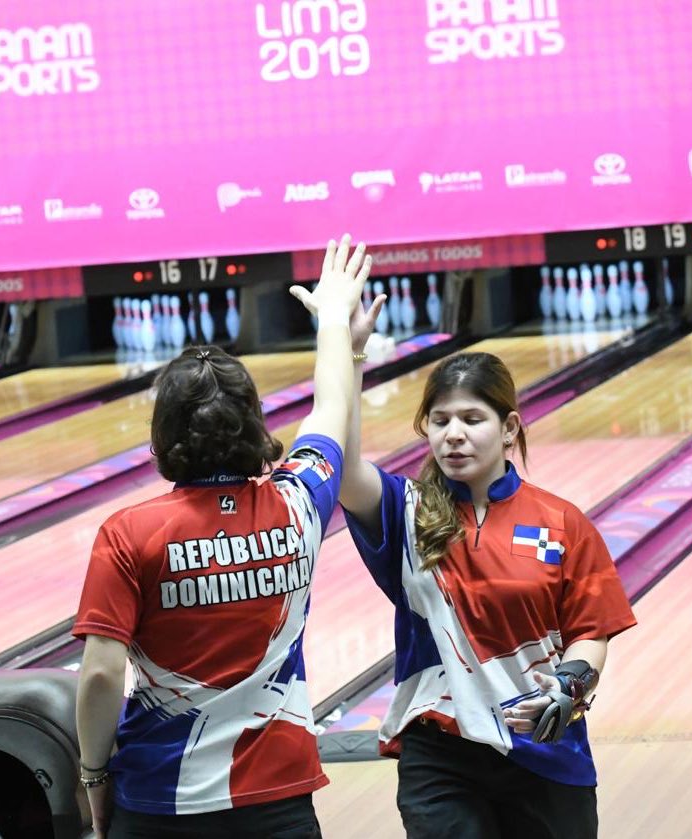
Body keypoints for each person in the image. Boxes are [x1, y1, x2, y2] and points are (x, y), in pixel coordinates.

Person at [73, 234, 372, 839]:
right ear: (255, 427)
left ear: (161, 438)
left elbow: (102, 674)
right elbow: (332, 405)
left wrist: (93, 777)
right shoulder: (299, 502)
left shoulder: (129, 533)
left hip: (158, 803)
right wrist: (337, 325)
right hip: (277, 802)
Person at [339, 325, 637, 838]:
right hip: (440, 752)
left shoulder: (560, 522)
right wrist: (349, 353)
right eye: (440, 420)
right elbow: (339, 464)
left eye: (472, 419)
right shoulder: (404, 513)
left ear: (508, 428)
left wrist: (570, 683)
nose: (454, 433)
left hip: (542, 744)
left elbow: (590, 630)